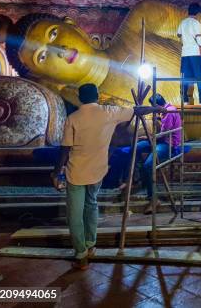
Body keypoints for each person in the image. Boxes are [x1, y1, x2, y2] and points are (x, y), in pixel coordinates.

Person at [52, 83, 157, 270]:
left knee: (75, 214)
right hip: (98, 171)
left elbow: (65, 149)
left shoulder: (73, 118)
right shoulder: (109, 112)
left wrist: (56, 172)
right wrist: (157, 108)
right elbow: (138, 110)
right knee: (91, 204)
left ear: (80, 98)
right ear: (97, 96)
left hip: (76, 171)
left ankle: (81, 253)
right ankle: (90, 244)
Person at [139, 93, 183, 214]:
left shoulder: (168, 113)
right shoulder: (168, 110)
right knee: (137, 147)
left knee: (148, 166)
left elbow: (163, 135)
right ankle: (132, 180)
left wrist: (148, 137)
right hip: (161, 140)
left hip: (167, 144)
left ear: (156, 105)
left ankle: (153, 199)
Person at [177, 3, 201, 105]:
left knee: (185, 77)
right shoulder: (196, 23)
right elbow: (199, 39)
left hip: (185, 53)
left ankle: (184, 100)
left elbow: (179, 34)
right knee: (200, 77)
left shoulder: (182, 22)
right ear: (197, 12)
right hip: (195, 53)